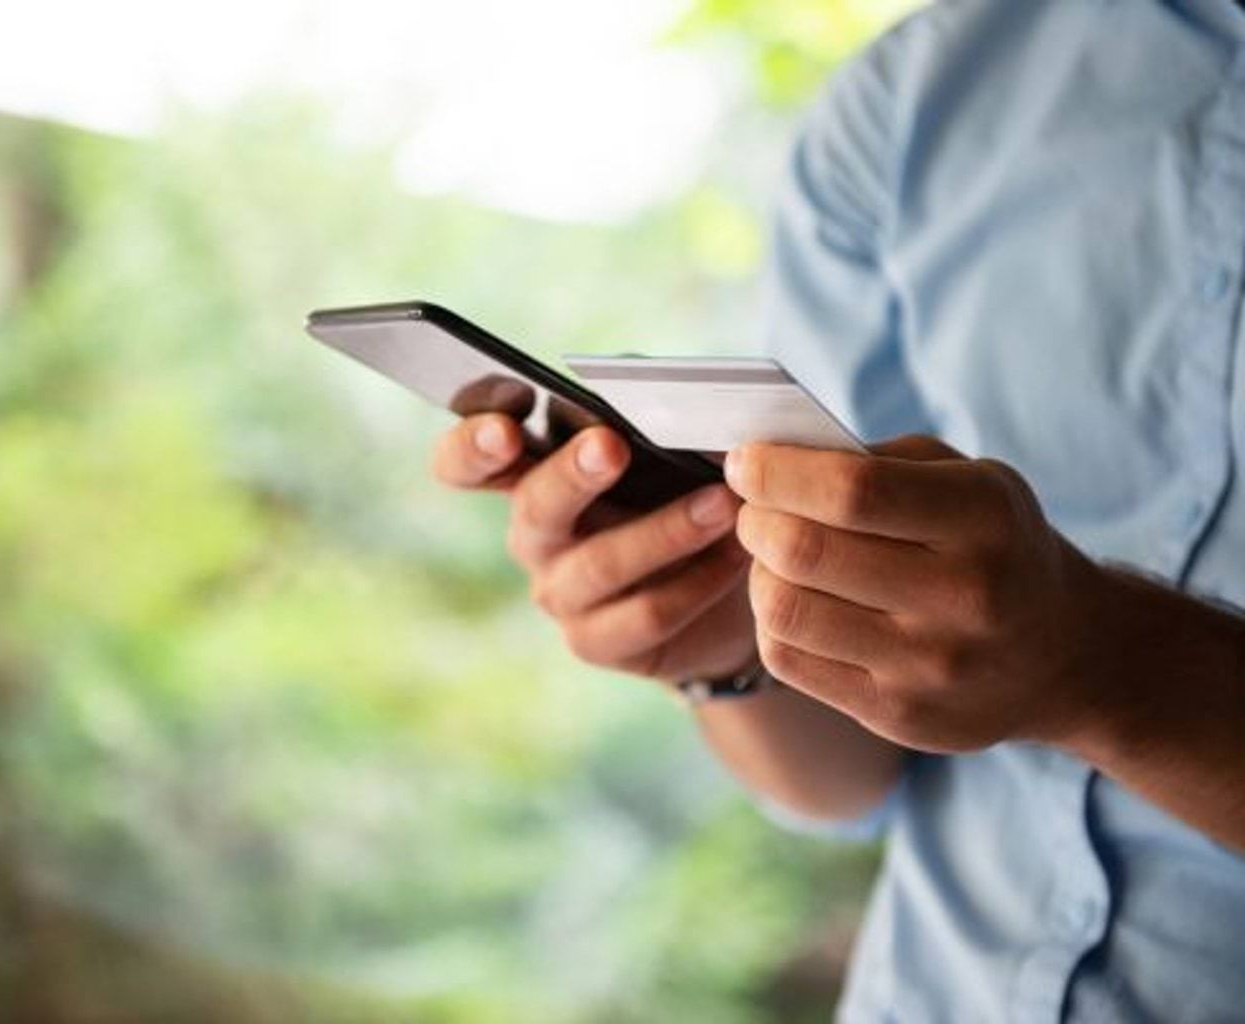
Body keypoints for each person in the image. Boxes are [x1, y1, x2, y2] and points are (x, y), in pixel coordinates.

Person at [429, 0, 1245, 1019]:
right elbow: (853, 777)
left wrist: (1107, 666)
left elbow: (1065, 668)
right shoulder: (909, 101)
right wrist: (731, 646)